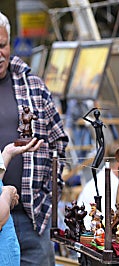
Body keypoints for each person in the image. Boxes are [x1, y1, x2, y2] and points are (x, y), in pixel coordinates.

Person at [0, 12, 69, 266]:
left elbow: (58, 140)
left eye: (2, 45)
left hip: (32, 219)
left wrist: (50, 196)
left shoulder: (33, 86)